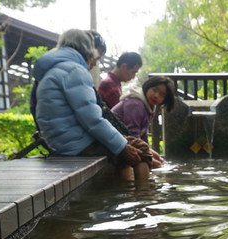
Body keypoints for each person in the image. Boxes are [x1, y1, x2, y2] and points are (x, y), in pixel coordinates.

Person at [34, 29, 152, 180]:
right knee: (141, 150)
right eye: (94, 56)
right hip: (75, 144)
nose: (94, 62)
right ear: (86, 51)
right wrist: (121, 146)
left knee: (128, 147)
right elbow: (93, 119)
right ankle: (143, 199)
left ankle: (128, 195)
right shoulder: (74, 71)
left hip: (61, 141)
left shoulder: (54, 70)